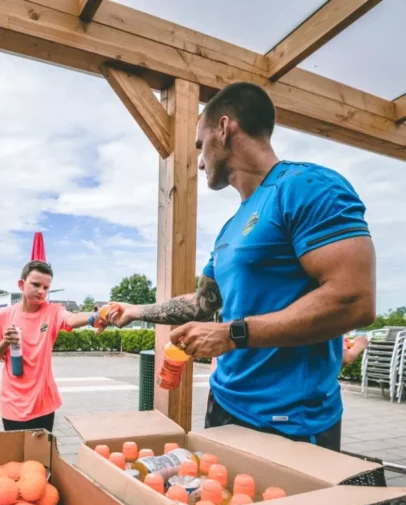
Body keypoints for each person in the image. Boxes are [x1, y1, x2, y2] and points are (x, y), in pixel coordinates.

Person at [107, 82, 375, 450]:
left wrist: (231, 334)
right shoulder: (231, 228)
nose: (200, 161)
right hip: (224, 405)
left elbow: (353, 301)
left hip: (290, 422)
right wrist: (134, 310)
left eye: (201, 145)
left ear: (224, 127)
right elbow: (204, 304)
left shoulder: (309, 186)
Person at [0, 261, 97, 432]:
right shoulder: (3, 316)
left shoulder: (52, 311)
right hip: (13, 404)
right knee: (17, 458)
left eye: (46, 287)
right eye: (36, 285)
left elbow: (72, 319)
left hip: (42, 402)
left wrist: (96, 315)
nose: (41, 291)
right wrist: (5, 342)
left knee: (41, 457)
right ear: (21, 284)